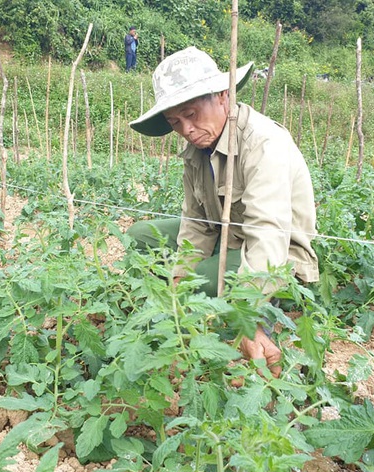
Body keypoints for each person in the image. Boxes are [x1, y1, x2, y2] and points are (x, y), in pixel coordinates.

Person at [127, 47, 319, 377]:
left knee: (197, 286)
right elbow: (197, 223)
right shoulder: (197, 149)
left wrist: (246, 316)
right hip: (225, 238)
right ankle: (182, 296)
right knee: (138, 237)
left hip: (276, 252)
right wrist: (178, 275)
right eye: (175, 122)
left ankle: (251, 317)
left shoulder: (263, 143)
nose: (186, 128)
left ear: (222, 97)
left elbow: (268, 236)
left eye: (191, 114)